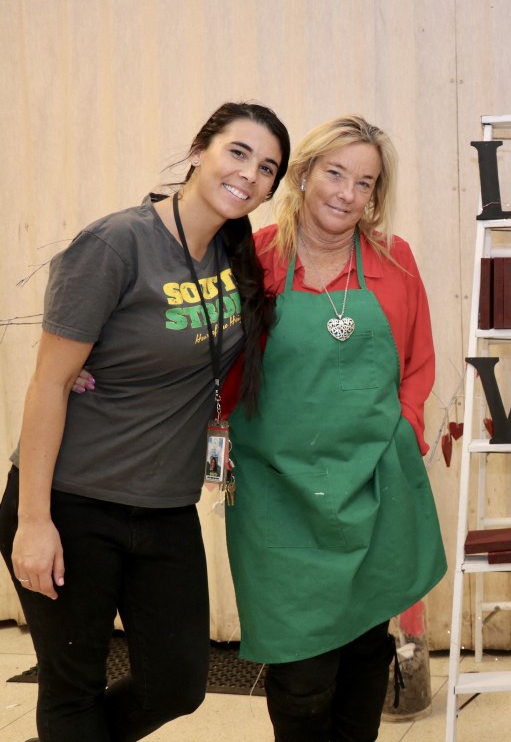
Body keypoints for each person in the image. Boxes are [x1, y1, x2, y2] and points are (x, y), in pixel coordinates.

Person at [0, 102, 290, 741]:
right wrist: (33, 521)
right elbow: (49, 383)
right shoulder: (116, 244)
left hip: (163, 507)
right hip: (74, 502)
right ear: (198, 150)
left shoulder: (235, 256)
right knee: (73, 687)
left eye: (267, 167)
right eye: (237, 152)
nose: (249, 174)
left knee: (177, 684)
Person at [223, 115, 445, 742]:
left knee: (365, 651)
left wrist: (400, 441)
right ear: (304, 173)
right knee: (300, 672)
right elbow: (212, 363)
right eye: (336, 173)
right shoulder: (254, 257)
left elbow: (417, 365)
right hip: (276, 493)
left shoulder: (394, 262)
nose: (347, 194)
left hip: (372, 487)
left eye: (365, 183)